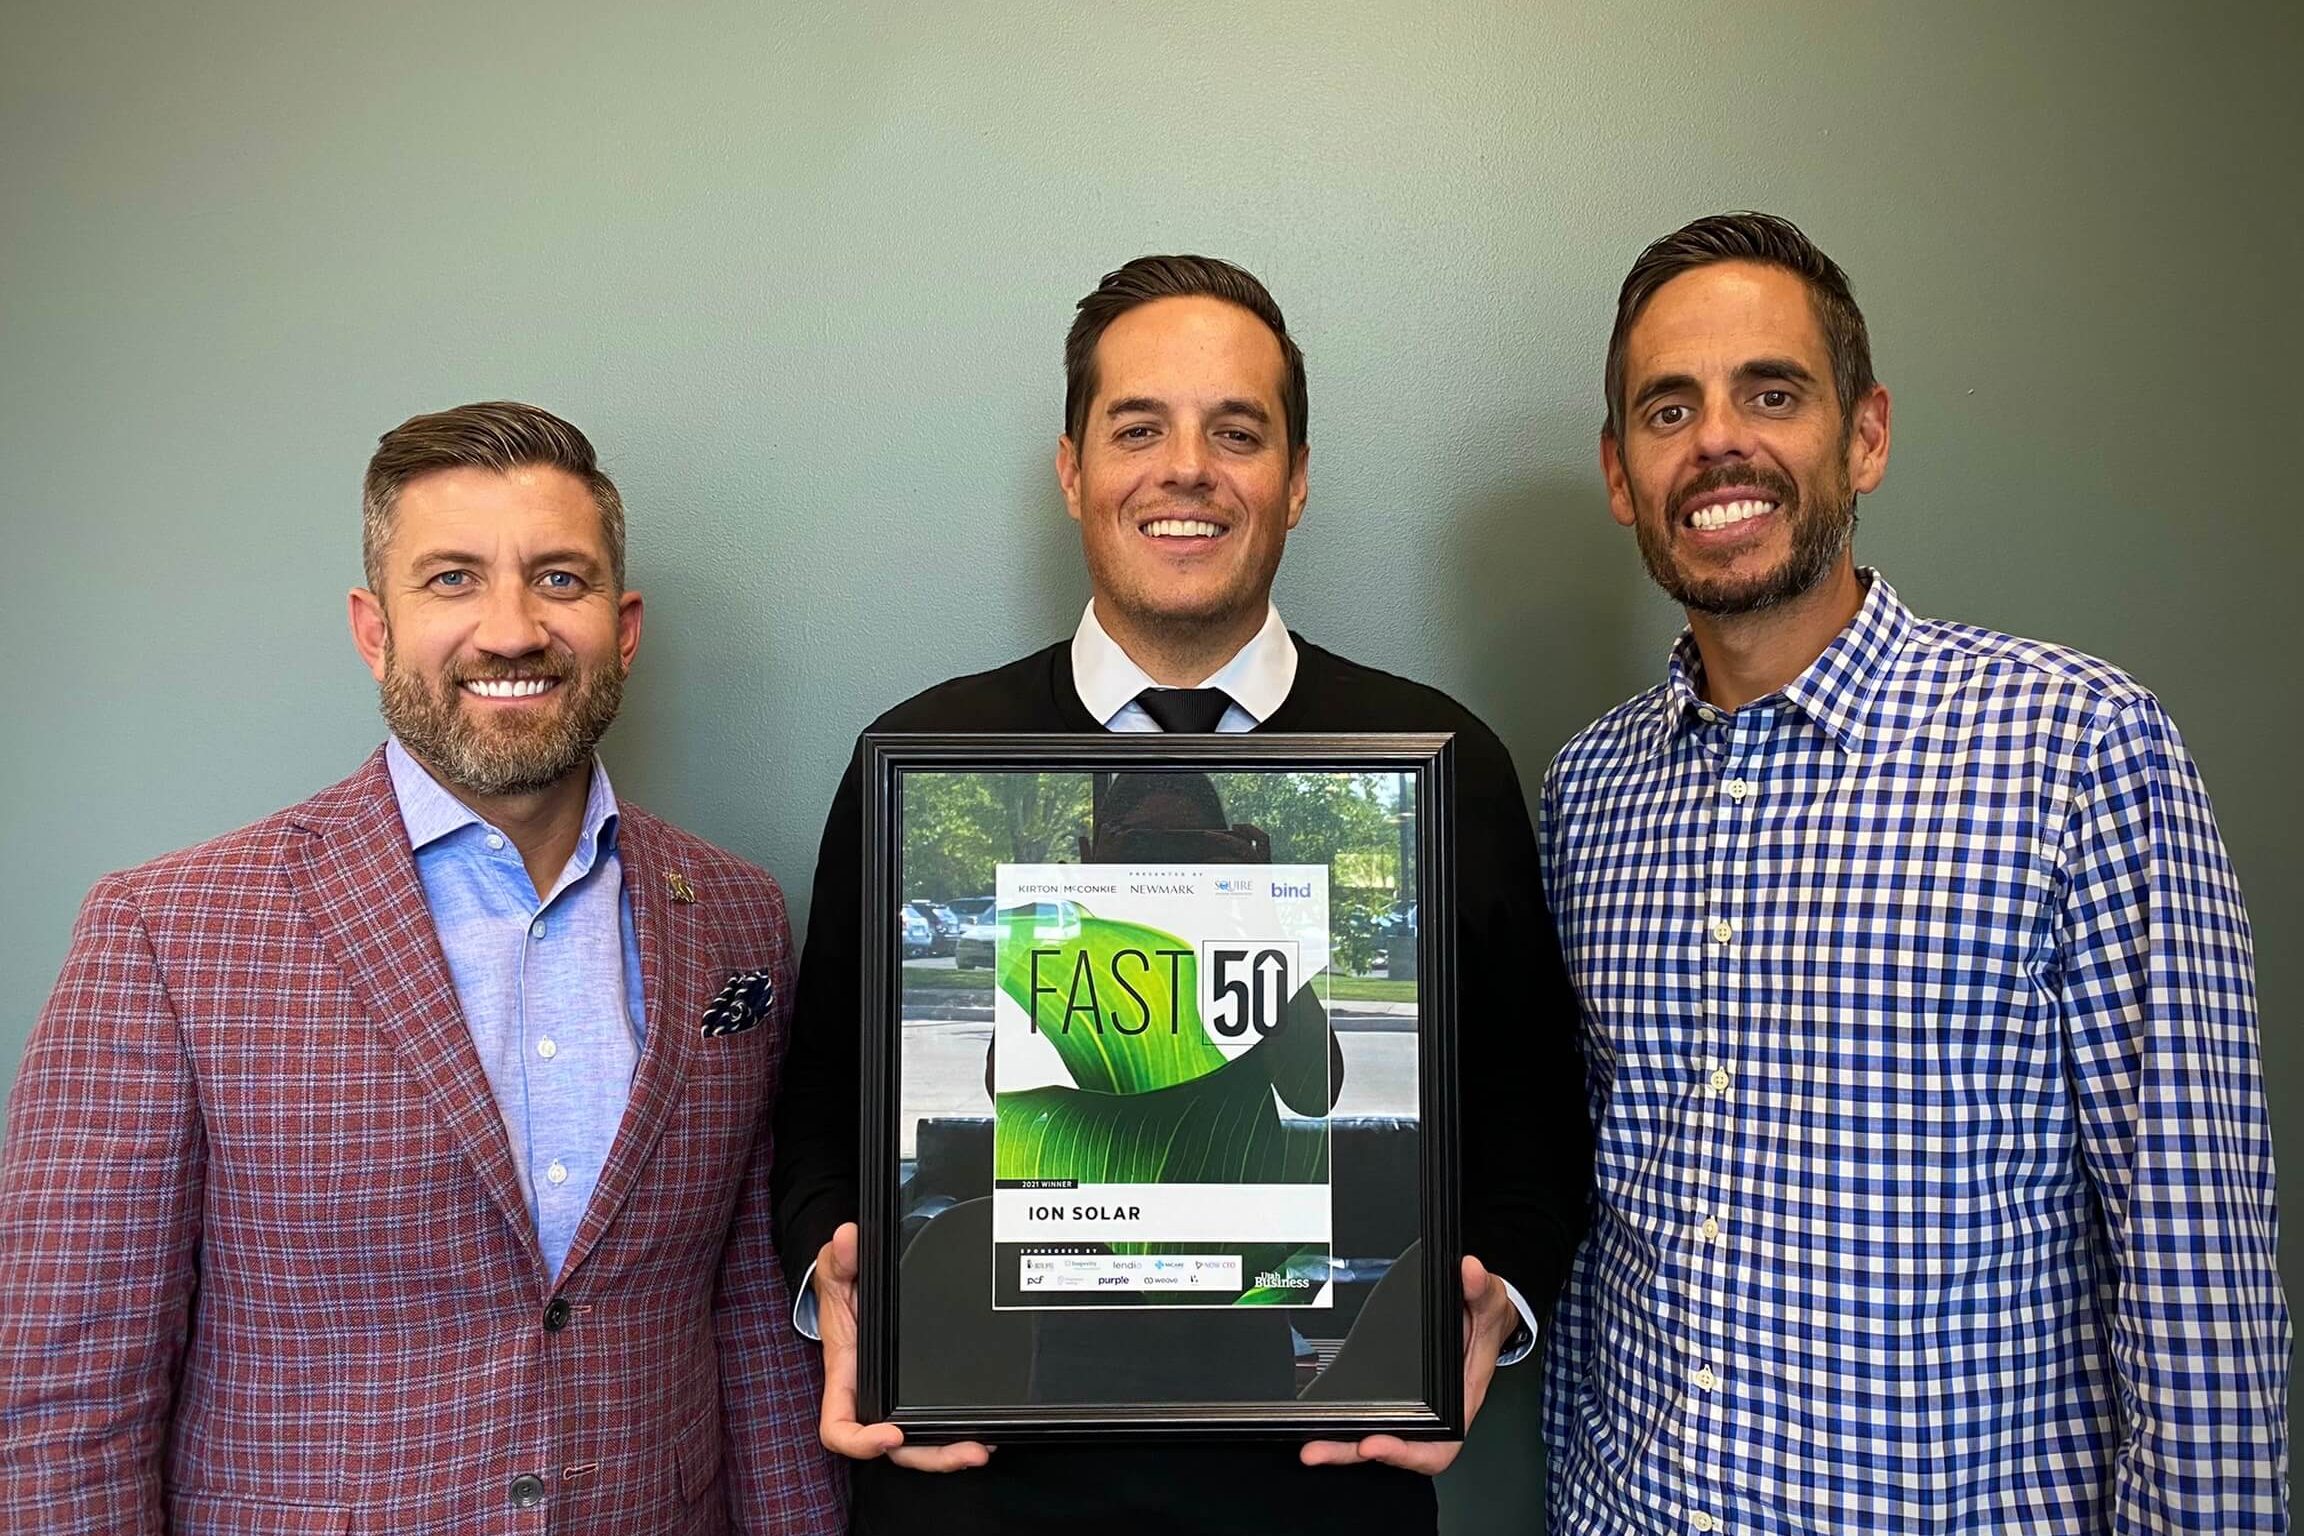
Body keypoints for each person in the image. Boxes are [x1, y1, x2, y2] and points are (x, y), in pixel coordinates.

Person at [771, 254, 1594, 1534]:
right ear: (1072, 471)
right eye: (1138, 428)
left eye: (1238, 432)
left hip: (1313, 1477)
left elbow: (1524, 1116)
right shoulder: (916, 762)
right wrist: (834, 1272)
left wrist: (1501, 1299)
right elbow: (825, 1105)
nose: (1187, 470)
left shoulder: (1441, 767)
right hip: (984, 1476)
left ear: (1297, 479)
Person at [1540, 211, 2288, 1533]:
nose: (1717, 441)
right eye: (1669, 408)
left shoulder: (2078, 750)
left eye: (1774, 393)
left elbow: (2196, 1265)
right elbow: (1604, 1216)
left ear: (1866, 436)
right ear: (1619, 472)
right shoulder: (1587, 794)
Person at [0, 402, 841, 1534]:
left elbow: (748, 1319)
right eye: (452, 580)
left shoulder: (733, 915)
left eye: (559, 579)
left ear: (624, 625)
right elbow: (63, 1401)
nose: (511, 630)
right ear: (374, 627)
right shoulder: (168, 933)